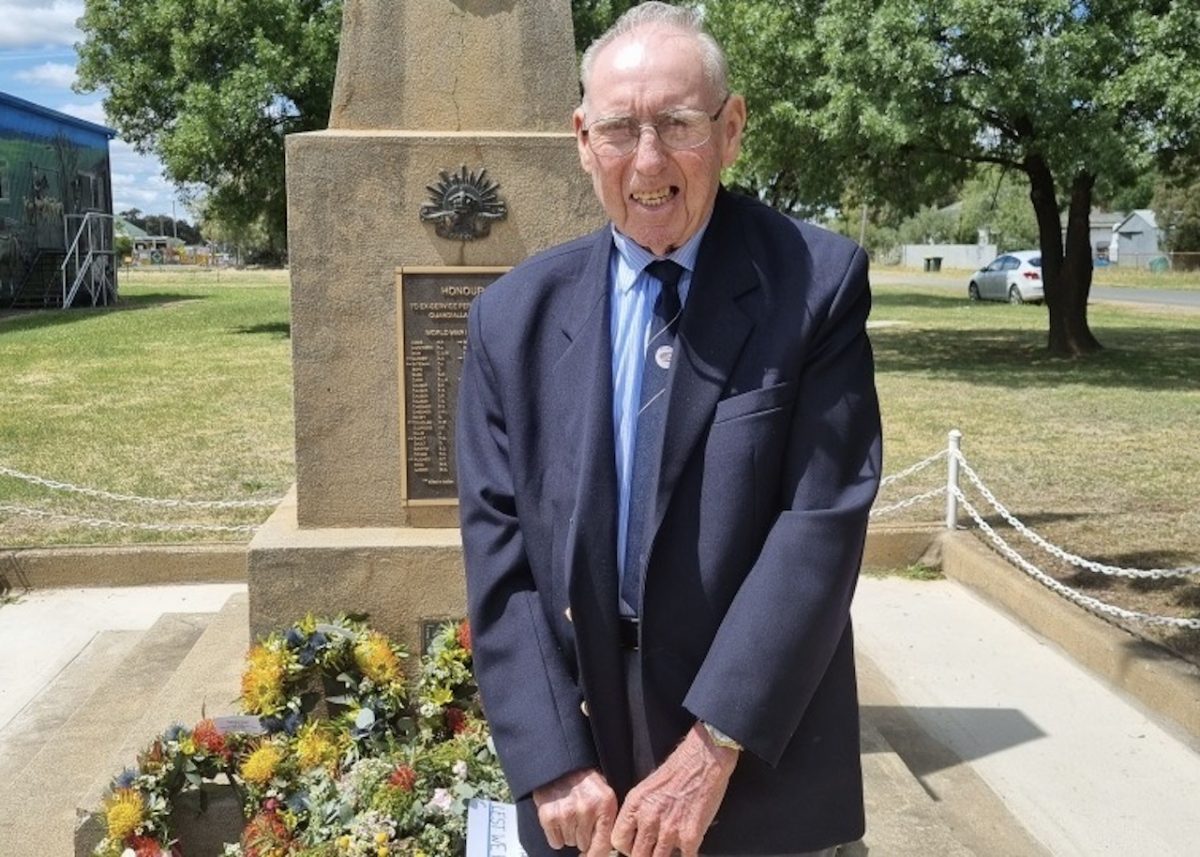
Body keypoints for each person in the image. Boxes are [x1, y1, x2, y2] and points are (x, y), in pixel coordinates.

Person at [456, 4, 881, 855]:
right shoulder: (511, 318)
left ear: (730, 129)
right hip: (589, 776)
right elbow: (499, 556)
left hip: (751, 759)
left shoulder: (816, 284)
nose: (648, 160)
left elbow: (819, 525)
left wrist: (712, 746)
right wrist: (551, 759)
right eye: (620, 128)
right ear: (583, 139)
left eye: (678, 124)